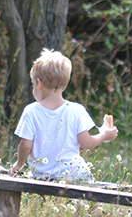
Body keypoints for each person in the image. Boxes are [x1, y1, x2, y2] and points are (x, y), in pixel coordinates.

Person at [8, 48, 119, 181]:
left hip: (43, 177)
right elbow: (86, 143)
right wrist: (104, 135)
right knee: (87, 200)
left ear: (39, 83)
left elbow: (25, 145)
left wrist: (19, 165)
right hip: (74, 176)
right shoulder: (76, 110)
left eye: (32, 84)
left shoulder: (30, 111)